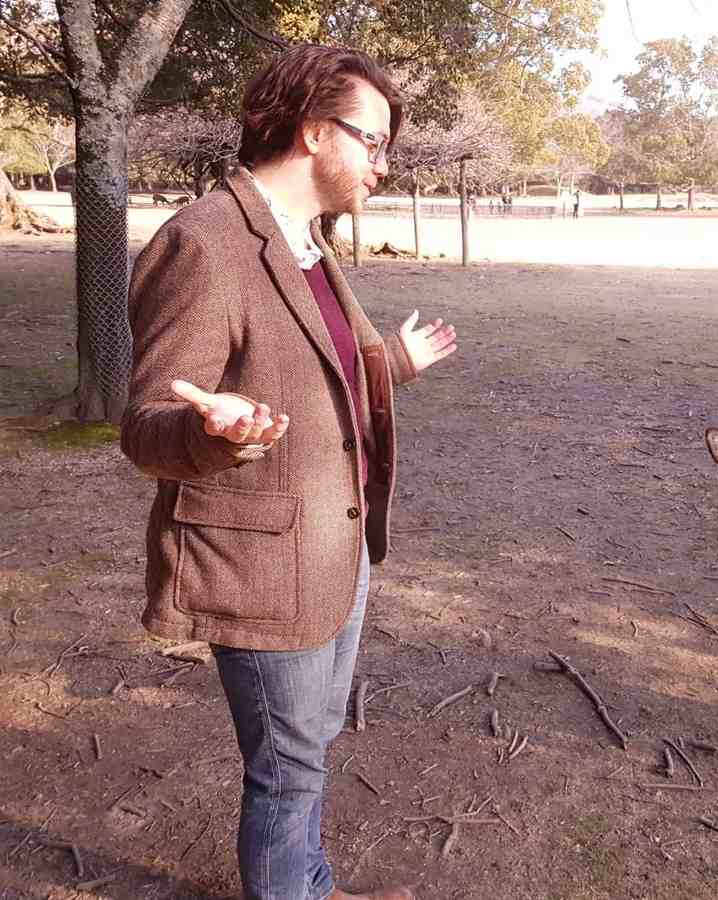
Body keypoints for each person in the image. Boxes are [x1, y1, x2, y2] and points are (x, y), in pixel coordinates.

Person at [121, 44, 458, 900]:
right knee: (285, 770)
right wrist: (213, 435)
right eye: (373, 141)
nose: (383, 163)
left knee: (308, 752)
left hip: (335, 550)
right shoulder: (203, 242)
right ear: (313, 131)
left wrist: (392, 365)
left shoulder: (304, 241)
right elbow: (146, 426)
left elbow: (315, 379)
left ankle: (310, 883)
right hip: (263, 565)